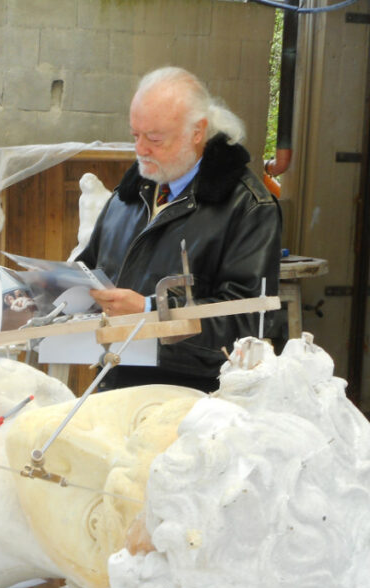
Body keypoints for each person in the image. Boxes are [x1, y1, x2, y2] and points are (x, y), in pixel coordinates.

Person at [78, 66, 283, 392]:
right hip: (115, 383)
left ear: (197, 132)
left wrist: (149, 312)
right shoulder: (130, 195)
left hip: (196, 401)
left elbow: (249, 325)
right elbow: (89, 269)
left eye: (155, 138)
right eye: (135, 135)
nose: (141, 149)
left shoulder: (248, 207)